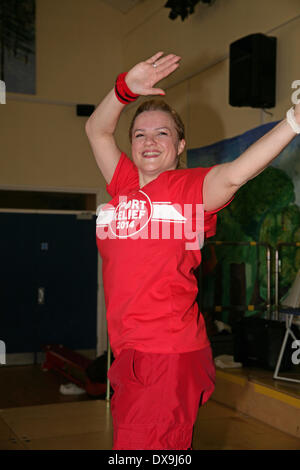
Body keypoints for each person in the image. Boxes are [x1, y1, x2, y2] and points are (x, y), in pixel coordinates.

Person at [85, 52, 300, 450]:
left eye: (162, 133)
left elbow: (236, 173)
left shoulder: (189, 191)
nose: (149, 141)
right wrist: (124, 89)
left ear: (180, 143)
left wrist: (292, 123)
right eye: (140, 134)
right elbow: (97, 130)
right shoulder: (125, 185)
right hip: (133, 352)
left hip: (164, 354)